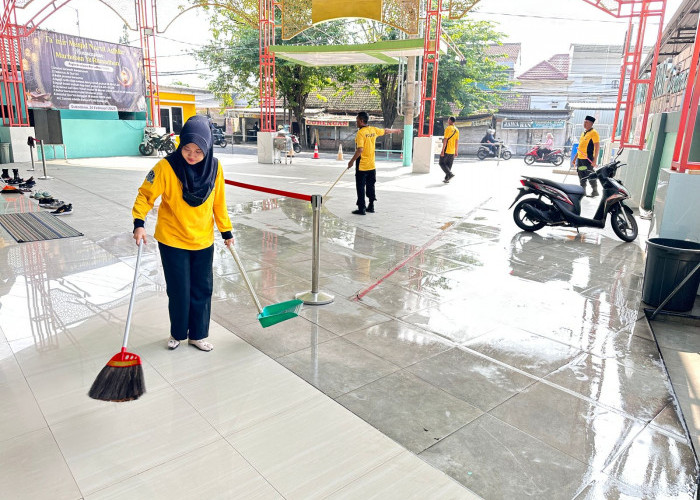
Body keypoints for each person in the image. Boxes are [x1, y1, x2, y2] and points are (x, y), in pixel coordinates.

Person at [132, 115, 234, 352]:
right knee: (179, 289)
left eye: (199, 151)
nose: (191, 155)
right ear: (180, 144)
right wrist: (139, 223)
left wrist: (226, 231)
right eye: (187, 148)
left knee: (202, 289)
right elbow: (145, 195)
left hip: (203, 240)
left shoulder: (215, 168)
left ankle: (197, 335)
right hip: (173, 239)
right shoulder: (166, 167)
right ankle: (177, 333)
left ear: (207, 149)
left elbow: (219, 203)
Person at [346, 112, 399, 215]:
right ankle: (371, 206)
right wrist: (395, 130)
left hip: (362, 166)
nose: (356, 122)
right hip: (372, 165)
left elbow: (360, 149)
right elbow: (386, 131)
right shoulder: (373, 130)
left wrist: (351, 161)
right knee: (371, 186)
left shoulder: (360, 133)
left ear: (361, 121)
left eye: (357, 120)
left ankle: (361, 208)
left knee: (360, 187)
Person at [576, 115, 600, 197]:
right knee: (581, 174)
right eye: (584, 122)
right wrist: (575, 158)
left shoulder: (594, 133)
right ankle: (583, 191)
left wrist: (595, 160)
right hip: (580, 159)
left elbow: (597, 147)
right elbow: (580, 147)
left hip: (588, 159)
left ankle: (595, 190)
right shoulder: (583, 133)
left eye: (586, 122)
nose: (584, 124)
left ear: (591, 124)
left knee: (589, 174)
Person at [440, 116, 459, 183]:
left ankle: (450, 174)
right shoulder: (457, 130)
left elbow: (445, 140)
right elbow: (456, 142)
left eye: (448, 120)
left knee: (441, 163)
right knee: (448, 165)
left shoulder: (448, 128)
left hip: (447, 149)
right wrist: (456, 151)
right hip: (452, 151)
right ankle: (447, 179)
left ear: (450, 121)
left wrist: (442, 150)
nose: (447, 121)